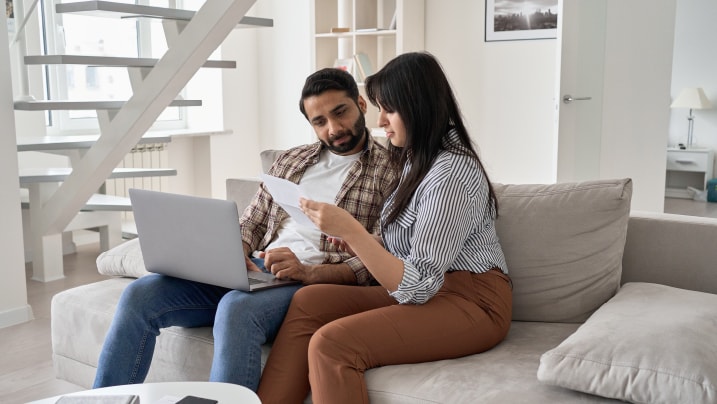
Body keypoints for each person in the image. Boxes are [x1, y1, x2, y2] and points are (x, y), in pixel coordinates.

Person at [92, 67, 398, 392]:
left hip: (309, 283)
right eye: (319, 121)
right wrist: (233, 251)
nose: (334, 128)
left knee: (236, 309)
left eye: (341, 112)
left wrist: (308, 272)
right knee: (140, 295)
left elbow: (376, 260)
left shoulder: (391, 170)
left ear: (361, 105)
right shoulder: (291, 160)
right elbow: (250, 224)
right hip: (257, 270)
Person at [256, 52, 513, 404]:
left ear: (417, 107)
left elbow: (420, 285)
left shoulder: (451, 173)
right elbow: (415, 245)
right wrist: (364, 243)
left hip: (473, 301)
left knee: (332, 344)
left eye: (388, 110)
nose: (381, 121)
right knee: (309, 300)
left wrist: (353, 232)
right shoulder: (417, 159)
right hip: (440, 289)